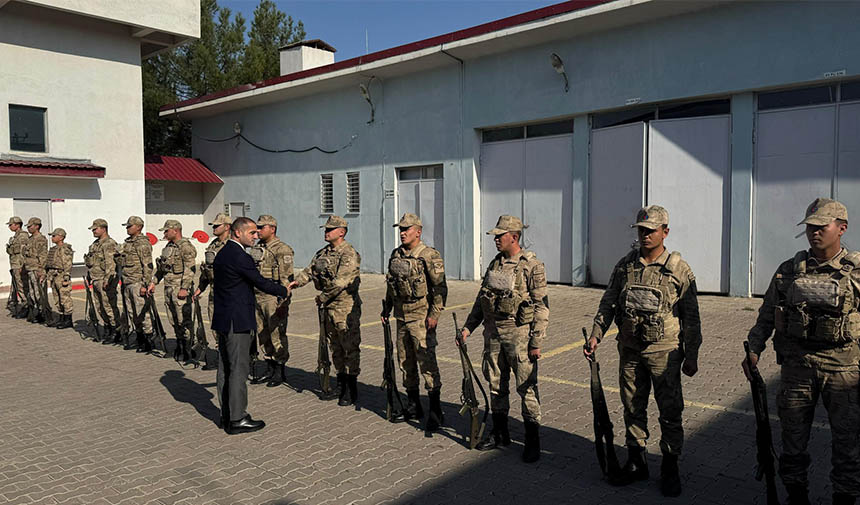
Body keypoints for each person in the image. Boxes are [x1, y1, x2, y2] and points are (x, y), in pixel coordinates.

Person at [742, 198, 860, 505]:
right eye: (810, 227)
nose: (814, 233)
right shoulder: (790, 270)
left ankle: (844, 497)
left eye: (821, 226)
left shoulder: (857, 272)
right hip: (797, 369)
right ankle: (797, 496)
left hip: (843, 371)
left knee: (848, 444)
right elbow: (767, 314)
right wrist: (754, 348)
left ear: (842, 228)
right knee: (792, 443)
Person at [584, 205, 701, 497]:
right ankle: (637, 461)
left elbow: (691, 316)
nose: (645, 235)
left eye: (651, 230)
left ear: (665, 232)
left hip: (665, 353)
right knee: (632, 407)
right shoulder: (626, 265)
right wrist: (597, 334)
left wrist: (692, 354)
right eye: (641, 230)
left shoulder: (678, 270)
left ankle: (670, 466)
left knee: (670, 411)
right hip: (630, 351)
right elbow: (609, 302)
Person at [459, 215, 549, 463]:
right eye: (495, 235)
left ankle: (532, 440)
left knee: (526, 387)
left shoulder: (532, 266)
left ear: (515, 237)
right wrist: (468, 328)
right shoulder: (494, 265)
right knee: (496, 385)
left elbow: (541, 306)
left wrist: (536, 342)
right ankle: (500, 433)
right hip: (494, 336)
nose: (496, 239)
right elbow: (481, 300)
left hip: (519, 336)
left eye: (500, 235)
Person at [212, 217, 288, 435]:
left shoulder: (224, 253)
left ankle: (227, 414)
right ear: (238, 233)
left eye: (257, 232)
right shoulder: (239, 256)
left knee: (225, 369)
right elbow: (260, 282)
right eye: (252, 233)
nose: (256, 236)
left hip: (225, 319)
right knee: (238, 369)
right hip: (237, 321)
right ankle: (237, 418)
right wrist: (283, 290)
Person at [381, 213, 447, 430]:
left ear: (418, 231)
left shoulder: (428, 255)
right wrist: (387, 308)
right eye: (400, 229)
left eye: (407, 229)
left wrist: (434, 315)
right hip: (401, 316)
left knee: (426, 363)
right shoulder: (395, 255)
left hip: (420, 318)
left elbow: (440, 288)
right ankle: (414, 405)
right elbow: (392, 285)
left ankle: (435, 411)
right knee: (405, 362)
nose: (402, 233)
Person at [289, 215, 362, 406]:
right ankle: (341, 382)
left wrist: (322, 297)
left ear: (342, 232)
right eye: (325, 229)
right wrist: (296, 282)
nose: (326, 232)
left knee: (349, 347)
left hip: (345, 308)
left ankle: (351, 388)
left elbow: (340, 282)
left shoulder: (348, 254)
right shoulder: (323, 253)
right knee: (335, 346)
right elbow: (310, 270)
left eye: (330, 229)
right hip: (328, 307)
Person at [248, 215, 294, 387]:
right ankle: (269, 367)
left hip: (273, 298)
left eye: (261, 227)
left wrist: (284, 304)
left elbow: (286, 280)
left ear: (272, 229)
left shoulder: (282, 249)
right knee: (262, 333)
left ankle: (279, 370)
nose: (257, 231)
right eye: (257, 228)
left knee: (276, 335)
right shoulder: (257, 248)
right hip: (257, 296)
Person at [148, 220, 196, 363]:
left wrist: (184, 288)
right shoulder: (168, 247)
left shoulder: (186, 247)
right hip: (169, 288)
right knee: (173, 319)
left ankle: (188, 348)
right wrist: (153, 282)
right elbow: (162, 269)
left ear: (175, 230)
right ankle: (180, 345)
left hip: (180, 289)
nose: (164, 233)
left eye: (166, 231)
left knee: (184, 320)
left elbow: (190, 269)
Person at [193, 213, 232, 370]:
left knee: (229, 327)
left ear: (227, 227)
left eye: (217, 226)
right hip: (214, 293)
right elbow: (206, 271)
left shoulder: (233, 245)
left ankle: (233, 358)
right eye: (213, 226)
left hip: (229, 294)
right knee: (216, 327)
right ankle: (222, 357)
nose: (214, 228)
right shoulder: (212, 245)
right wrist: (199, 288)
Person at [120, 216, 155, 352]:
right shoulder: (128, 243)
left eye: (130, 226)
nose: (127, 228)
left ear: (139, 227)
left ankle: (148, 340)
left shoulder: (142, 243)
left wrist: (145, 285)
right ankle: (139, 338)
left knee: (142, 313)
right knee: (132, 313)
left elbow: (147, 265)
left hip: (137, 282)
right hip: (127, 281)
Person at [85, 218, 121, 343]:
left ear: (103, 229)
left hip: (104, 280)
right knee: (100, 306)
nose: (93, 231)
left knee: (109, 306)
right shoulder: (95, 244)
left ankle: (116, 330)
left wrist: (107, 280)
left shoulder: (109, 244)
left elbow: (111, 264)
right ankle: (108, 328)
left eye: (95, 229)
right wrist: (89, 276)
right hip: (95, 278)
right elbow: (92, 262)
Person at [45, 228, 74, 329]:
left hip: (61, 275)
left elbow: (68, 264)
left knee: (65, 298)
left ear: (61, 237)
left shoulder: (65, 249)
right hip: (53, 275)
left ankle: (68, 320)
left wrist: (66, 278)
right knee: (57, 298)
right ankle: (62, 317)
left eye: (54, 236)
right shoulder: (54, 249)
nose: (52, 238)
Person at [22, 217, 48, 324]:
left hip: (36, 269)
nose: (28, 228)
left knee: (39, 293)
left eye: (30, 226)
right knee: (32, 293)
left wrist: (41, 270)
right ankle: (36, 312)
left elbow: (43, 256)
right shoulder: (30, 239)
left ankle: (43, 314)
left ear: (37, 226)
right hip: (30, 269)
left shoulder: (40, 239)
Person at [5, 216, 29, 318]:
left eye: (11, 225)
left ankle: (26, 307)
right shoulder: (15, 237)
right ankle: (25, 306)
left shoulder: (22, 236)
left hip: (19, 265)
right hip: (14, 264)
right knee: (18, 287)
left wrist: (22, 266)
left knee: (22, 287)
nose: (9, 227)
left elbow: (24, 252)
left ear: (18, 225)